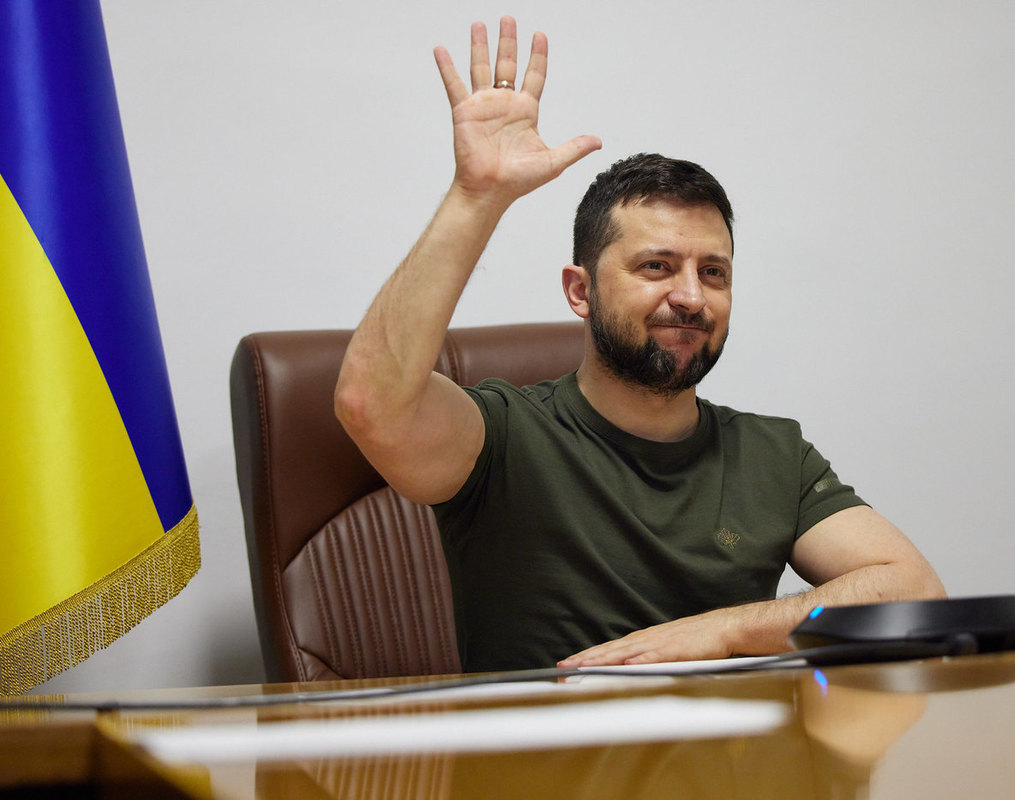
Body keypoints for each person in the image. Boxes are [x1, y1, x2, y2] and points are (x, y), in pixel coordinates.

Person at [335, 17, 945, 673]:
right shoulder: (503, 437)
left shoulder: (773, 454)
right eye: (657, 266)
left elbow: (914, 591)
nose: (691, 296)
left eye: (713, 272)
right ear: (581, 291)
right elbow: (372, 402)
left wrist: (725, 631)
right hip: (550, 738)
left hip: (733, 741)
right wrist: (474, 198)